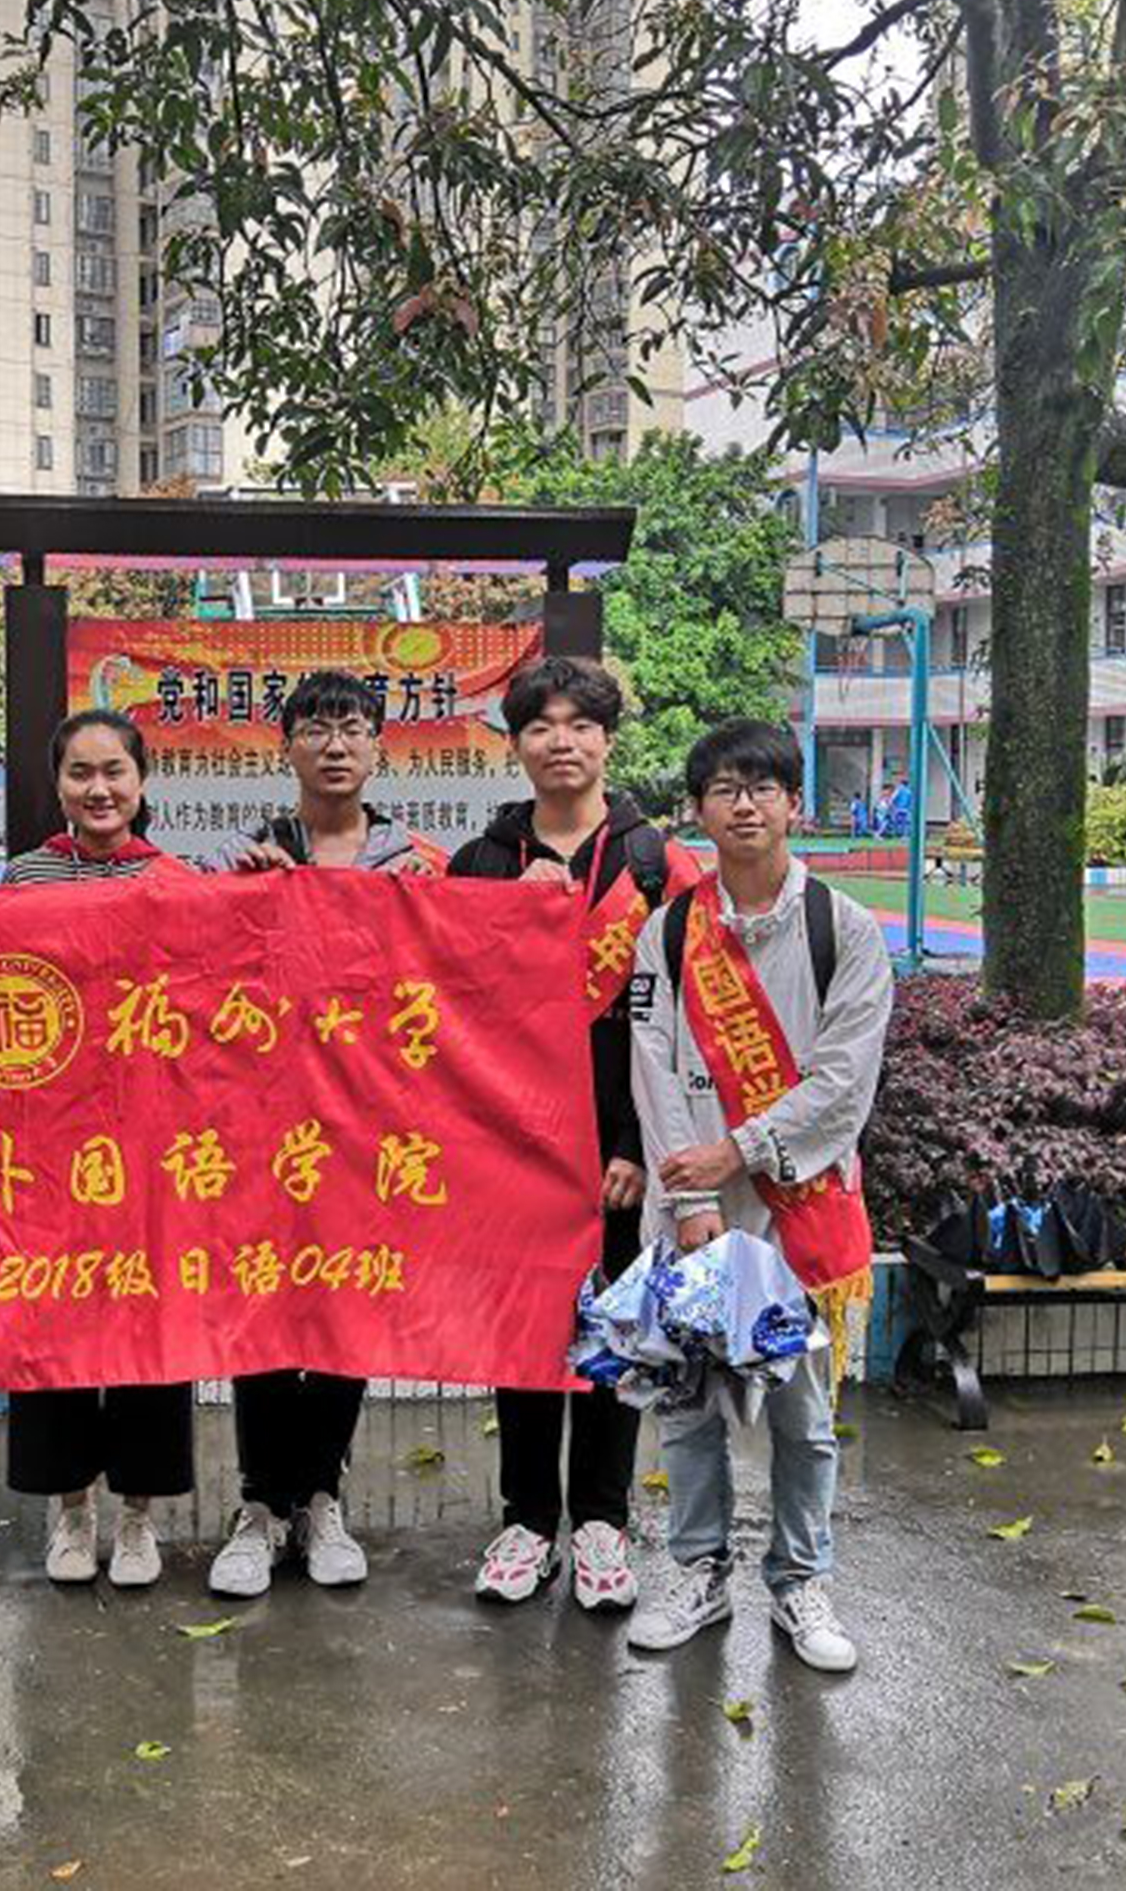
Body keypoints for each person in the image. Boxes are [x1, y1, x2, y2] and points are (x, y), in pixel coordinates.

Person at [624, 719, 892, 1673]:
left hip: (800, 1207)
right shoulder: (667, 931)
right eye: (724, 789)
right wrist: (688, 1197)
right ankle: (697, 1571)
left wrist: (736, 1152)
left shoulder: (843, 929)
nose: (744, 805)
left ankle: (800, 1580)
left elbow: (844, 1081)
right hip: (694, 1212)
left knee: (802, 1418)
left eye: (763, 787)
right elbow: (651, 1067)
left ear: (794, 804)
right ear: (697, 809)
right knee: (689, 1407)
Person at [447, 655, 694, 1611]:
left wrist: (632, 1143)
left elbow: (674, 1024)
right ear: (515, 745)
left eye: (581, 725)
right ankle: (526, 1518)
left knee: (612, 1334)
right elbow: (453, 1014)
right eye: (541, 726)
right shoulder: (481, 863)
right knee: (522, 1330)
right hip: (511, 1145)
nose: (562, 742)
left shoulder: (656, 865)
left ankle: (601, 1519)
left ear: (608, 741)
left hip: (618, 1147)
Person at [198, 670, 439, 1598]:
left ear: (381, 746)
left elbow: (457, 982)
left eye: (352, 728)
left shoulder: (418, 865)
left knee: (348, 1307)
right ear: (286, 746)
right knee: (263, 1303)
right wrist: (237, 903)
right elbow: (191, 971)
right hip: (262, 1126)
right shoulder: (242, 854)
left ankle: (322, 1499)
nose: (335, 746)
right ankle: (261, 1505)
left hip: (370, 1125)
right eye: (316, 729)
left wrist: (439, 907)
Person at [1, 709, 195, 1586]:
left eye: (114, 770)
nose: (99, 789)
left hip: (153, 1142)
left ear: (142, 781)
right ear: (58, 785)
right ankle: (71, 1512)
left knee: (152, 1328)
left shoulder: (178, 881)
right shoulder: (24, 877)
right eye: (80, 772)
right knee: (56, 1320)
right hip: (51, 1141)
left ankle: (139, 1518)